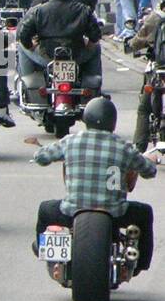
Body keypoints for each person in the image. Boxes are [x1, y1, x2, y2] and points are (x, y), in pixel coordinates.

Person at [32, 97, 157, 275]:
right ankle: (141, 263)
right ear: (112, 122)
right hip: (114, 213)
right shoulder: (123, 147)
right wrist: (148, 160)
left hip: (72, 210)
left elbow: (40, 157)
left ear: (86, 118)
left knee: (45, 210)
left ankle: (42, 248)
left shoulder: (70, 141)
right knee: (145, 213)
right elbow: (149, 171)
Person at [16, 0, 103, 95]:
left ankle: (27, 84)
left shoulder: (39, 11)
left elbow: (23, 35)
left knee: (21, 46)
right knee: (97, 47)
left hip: (47, 56)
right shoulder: (83, 9)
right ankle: (94, 85)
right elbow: (95, 35)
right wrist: (90, 44)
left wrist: (31, 45)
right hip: (76, 55)